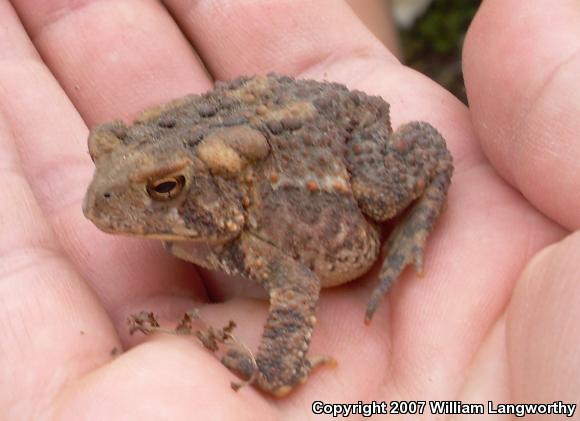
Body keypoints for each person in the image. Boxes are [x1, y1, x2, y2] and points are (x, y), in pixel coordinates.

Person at [0, 0, 578, 418]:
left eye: (164, 190)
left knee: (380, 188)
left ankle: (420, 204)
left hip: (335, 153)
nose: (103, 194)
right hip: (267, 125)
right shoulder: (209, 205)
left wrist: (275, 369)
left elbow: (296, 277)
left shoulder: (244, 228)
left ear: (199, 188)